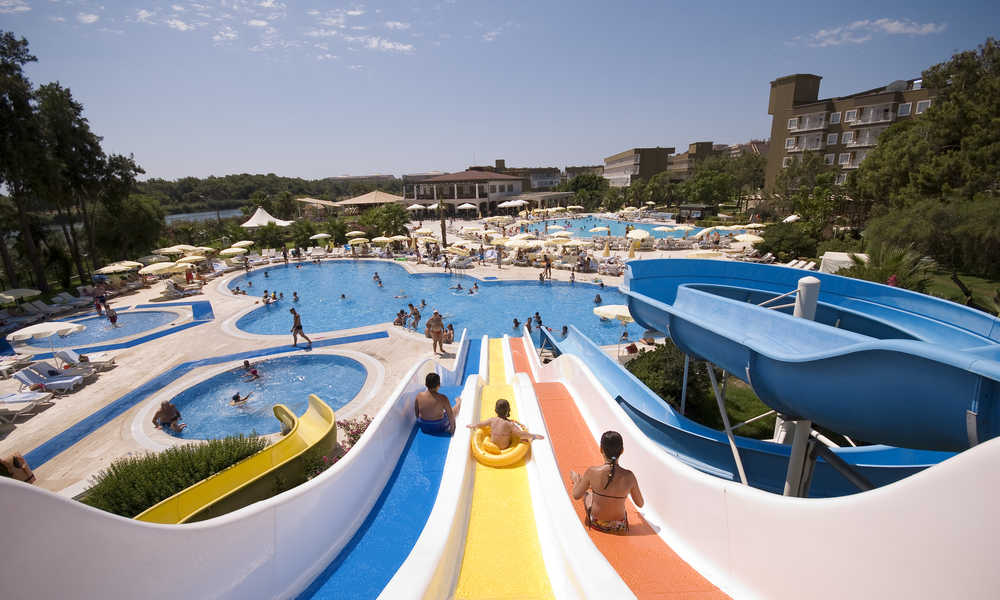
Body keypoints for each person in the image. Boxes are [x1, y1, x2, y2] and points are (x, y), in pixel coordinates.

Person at [569, 431, 643, 534]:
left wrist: (577, 481)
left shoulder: (592, 472)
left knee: (588, 495)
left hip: (597, 523)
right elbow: (640, 504)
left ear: (601, 449)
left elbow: (576, 495)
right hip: (619, 526)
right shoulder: (629, 476)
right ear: (622, 451)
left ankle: (582, 483)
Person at [467, 398, 544, 450]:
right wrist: (533, 436)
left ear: (495, 410)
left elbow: (481, 424)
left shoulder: (492, 420)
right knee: (512, 434)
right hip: (504, 448)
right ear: (508, 411)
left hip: (492, 446)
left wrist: (473, 425)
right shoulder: (510, 424)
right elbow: (520, 434)